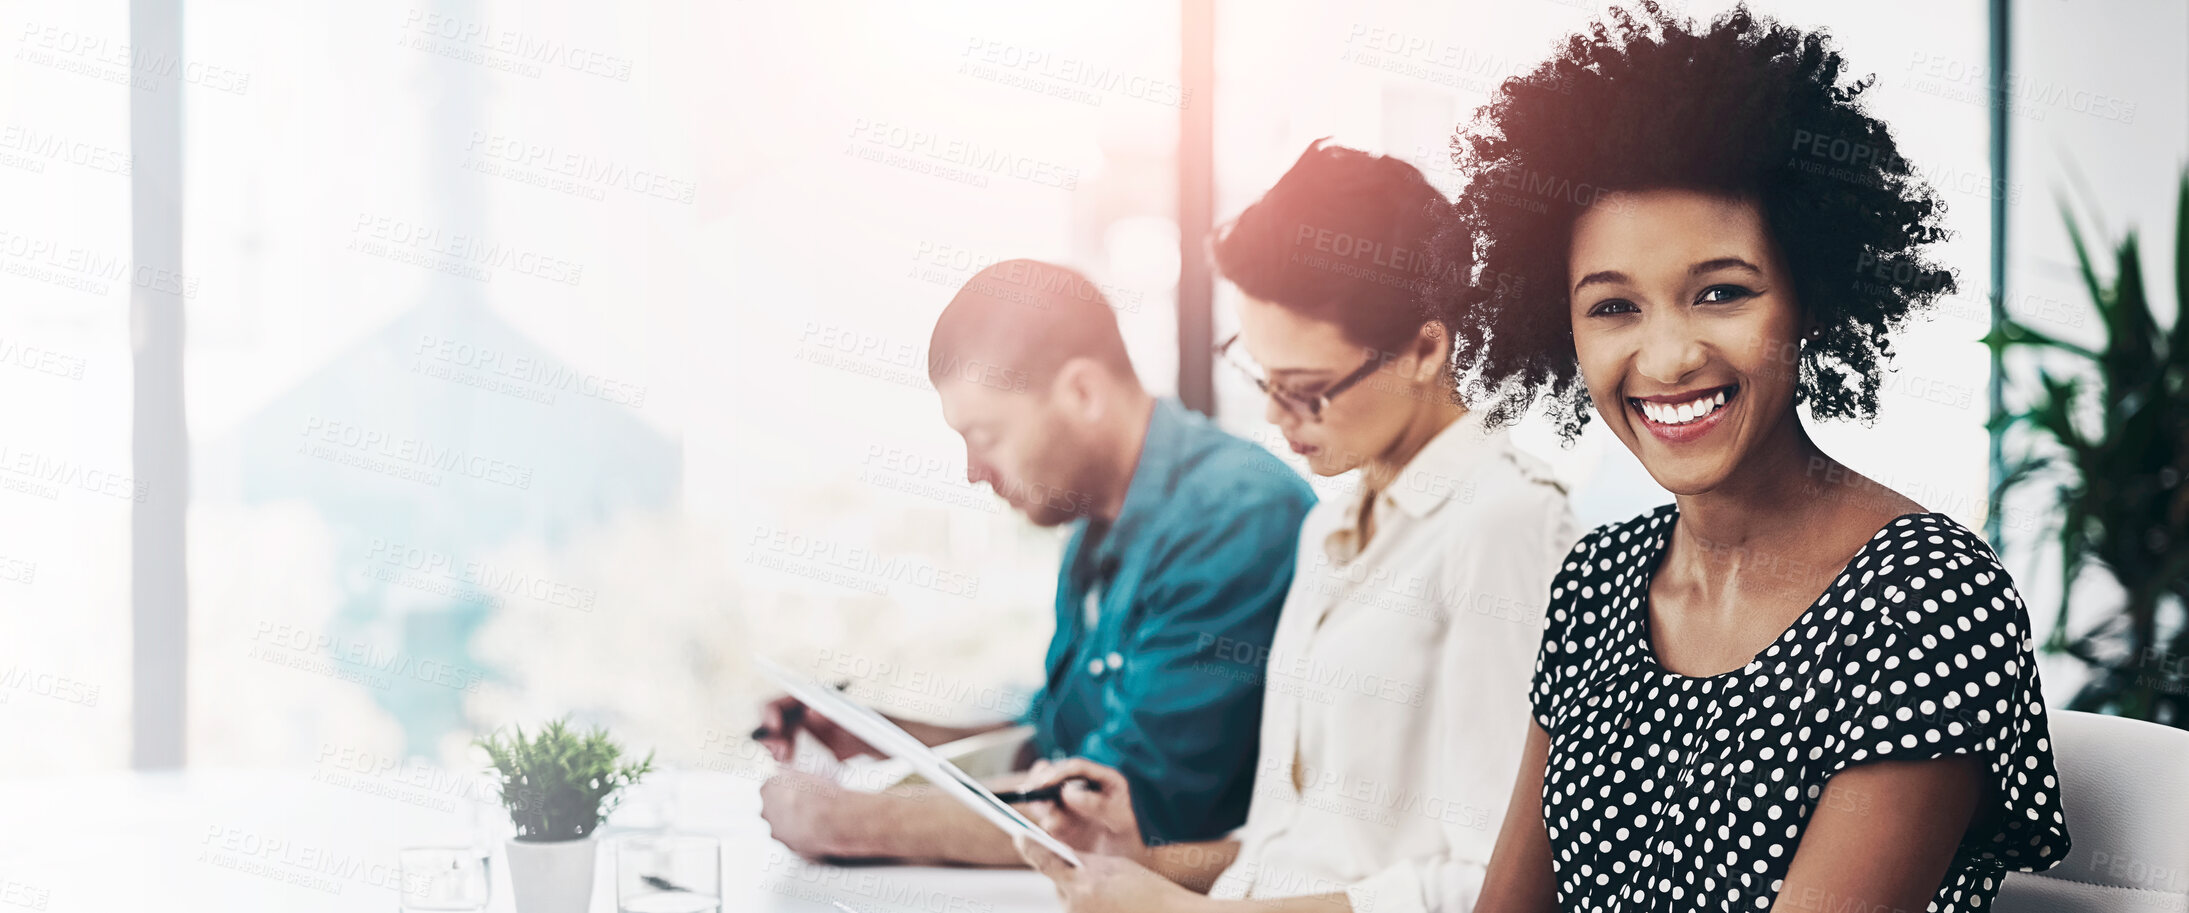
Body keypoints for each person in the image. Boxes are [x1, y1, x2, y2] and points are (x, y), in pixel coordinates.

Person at [1409, 5, 2069, 911]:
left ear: (1810, 302)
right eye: (1612, 307)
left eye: (1720, 292)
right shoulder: (1597, 580)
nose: (1669, 357)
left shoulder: (1929, 599)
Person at [1012, 141, 1580, 913]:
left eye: (1307, 391)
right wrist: (1143, 858)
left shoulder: (1504, 524)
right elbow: (1293, 847)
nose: (1278, 421)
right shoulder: (1334, 523)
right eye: (1262, 379)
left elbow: (1490, 884)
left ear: (1424, 348)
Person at [756, 258, 1316, 866]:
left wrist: (848, 820)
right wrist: (886, 737)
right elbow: (1058, 744)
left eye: (987, 435)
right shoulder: (1092, 533)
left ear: (1082, 391)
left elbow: (1115, 809)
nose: (973, 472)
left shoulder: (1235, 517)